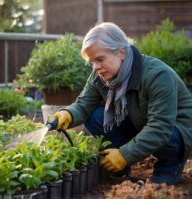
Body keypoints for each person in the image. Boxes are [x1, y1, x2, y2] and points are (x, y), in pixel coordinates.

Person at [52, 22, 192, 185]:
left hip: (177, 130)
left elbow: (160, 127)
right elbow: (84, 105)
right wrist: (68, 113)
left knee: (167, 139)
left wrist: (124, 154)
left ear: (121, 52)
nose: (96, 67)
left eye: (100, 59)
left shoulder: (158, 75)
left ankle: (169, 165)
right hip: (141, 121)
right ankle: (121, 165)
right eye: (91, 62)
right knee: (94, 116)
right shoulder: (101, 74)